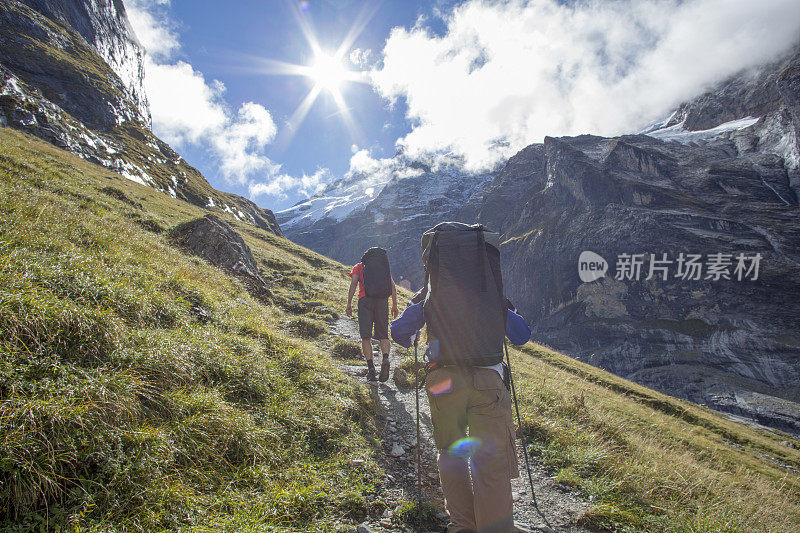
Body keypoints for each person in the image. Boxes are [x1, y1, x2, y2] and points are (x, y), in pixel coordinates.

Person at [390, 223, 532, 533]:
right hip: (489, 382)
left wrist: (415, 336)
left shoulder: (429, 292)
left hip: (444, 383)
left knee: (451, 453)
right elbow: (522, 335)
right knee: (490, 462)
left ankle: (464, 526)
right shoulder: (491, 291)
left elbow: (399, 332)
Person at [346, 247, 399, 382]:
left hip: (365, 301)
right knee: (383, 335)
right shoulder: (382, 268)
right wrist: (394, 305)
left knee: (366, 337)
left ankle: (371, 369)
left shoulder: (359, 266)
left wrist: (349, 304)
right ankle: (385, 358)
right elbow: (392, 287)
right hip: (382, 301)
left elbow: (353, 284)